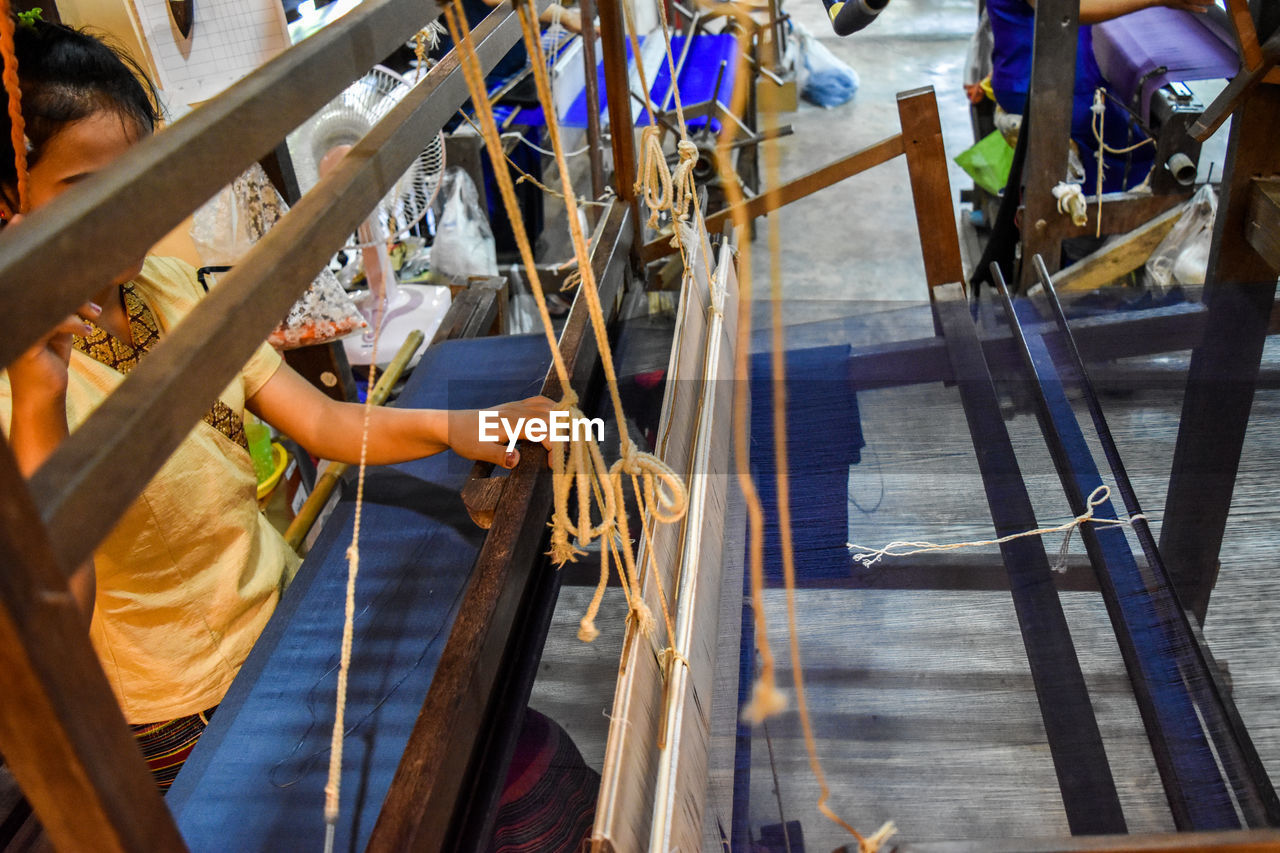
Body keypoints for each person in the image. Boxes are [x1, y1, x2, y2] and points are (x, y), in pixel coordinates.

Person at [0, 23, 600, 845]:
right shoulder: (13, 391)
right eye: (83, 189)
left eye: (138, 184)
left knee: (533, 768)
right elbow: (50, 643)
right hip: (183, 721)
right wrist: (38, 395)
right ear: (9, 203)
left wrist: (476, 426)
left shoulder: (170, 290)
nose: (125, 223)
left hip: (284, 616)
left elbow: (321, 420)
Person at [985, 0, 1212, 193]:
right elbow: (1062, 8)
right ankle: (1097, 226)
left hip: (1038, 74)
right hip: (1041, 87)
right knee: (1138, 147)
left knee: (1126, 126)